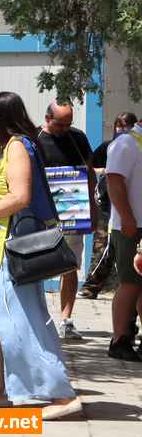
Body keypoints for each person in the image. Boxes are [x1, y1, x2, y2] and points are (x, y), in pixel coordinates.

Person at [0, 92, 82, 419]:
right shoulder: (5, 150)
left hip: (12, 250)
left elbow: (21, 196)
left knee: (24, 322)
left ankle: (61, 394)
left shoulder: (17, 147)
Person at [35, 101, 95, 341]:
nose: (64, 129)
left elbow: (89, 172)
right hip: (43, 212)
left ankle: (66, 319)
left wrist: (92, 208)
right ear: (47, 118)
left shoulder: (77, 137)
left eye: (68, 124)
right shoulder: (35, 138)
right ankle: (37, 318)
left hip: (73, 209)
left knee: (70, 265)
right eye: (60, 124)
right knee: (37, 264)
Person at [81, 112, 139, 299]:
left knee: (111, 251)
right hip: (107, 204)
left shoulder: (134, 145)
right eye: (120, 125)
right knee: (103, 247)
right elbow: (90, 166)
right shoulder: (111, 146)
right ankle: (91, 285)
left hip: (125, 209)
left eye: (127, 125)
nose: (123, 129)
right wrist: (106, 170)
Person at [105, 113, 142, 360]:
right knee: (130, 283)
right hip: (130, 226)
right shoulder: (126, 142)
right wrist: (127, 217)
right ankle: (120, 340)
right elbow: (114, 181)